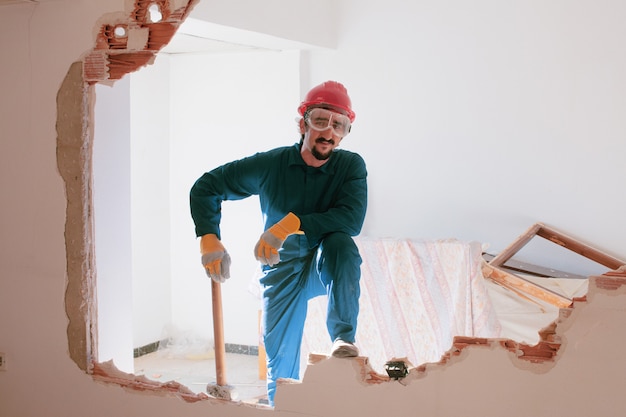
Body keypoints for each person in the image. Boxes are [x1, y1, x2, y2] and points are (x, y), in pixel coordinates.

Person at [189, 80, 367, 405]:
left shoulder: (350, 166)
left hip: (323, 261)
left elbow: (351, 219)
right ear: (303, 123)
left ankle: (343, 337)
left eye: (338, 125)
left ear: (344, 132)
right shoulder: (271, 165)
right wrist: (209, 236)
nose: (328, 133)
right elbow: (207, 186)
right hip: (280, 266)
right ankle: (278, 406)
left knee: (342, 245)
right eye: (320, 121)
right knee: (279, 362)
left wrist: (293, 222)